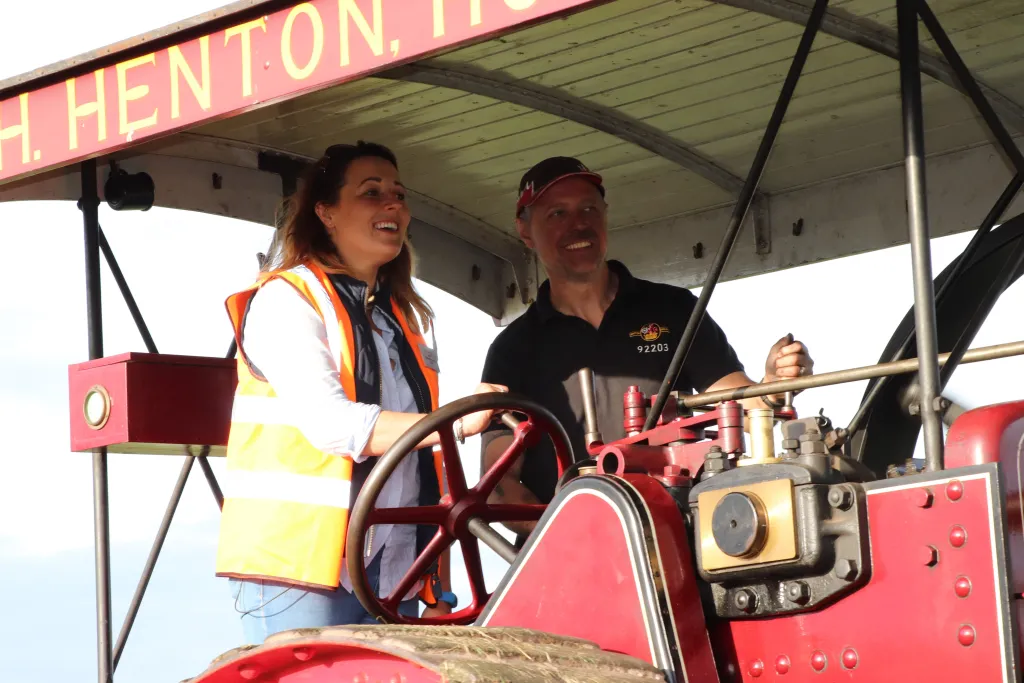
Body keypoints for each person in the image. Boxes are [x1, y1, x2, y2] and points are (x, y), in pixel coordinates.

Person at [214, 141, 505, 642]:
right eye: (372, 193)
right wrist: (456, 419)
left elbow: (420, 467)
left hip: (395, 577)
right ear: (326, 212)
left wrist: (439, 588)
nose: (393, 205)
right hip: (302, 574)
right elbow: (334, 425)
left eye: (398, 194)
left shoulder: (403, 322)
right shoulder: (288, 300)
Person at [479, 156, 814, 546]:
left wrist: (772, 387)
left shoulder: (673, 310)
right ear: (525, 230)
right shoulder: (512, 349)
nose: (578, 224)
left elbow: (738, 402)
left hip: (677, 540)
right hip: (566, 563)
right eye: (557, 213)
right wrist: (568, 539)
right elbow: (498, 480)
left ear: (605, 216)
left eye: (589, 208)